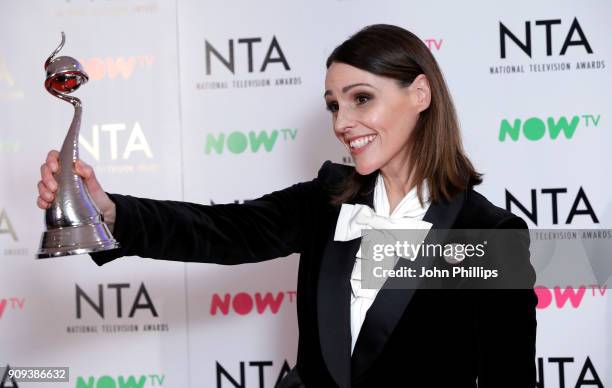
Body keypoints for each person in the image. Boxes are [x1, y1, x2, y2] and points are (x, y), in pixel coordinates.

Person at [37, 24, 537, 388]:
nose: (343, 122)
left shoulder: (488, 233)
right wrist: (106, 209)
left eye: (361, 98)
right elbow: (221, 229)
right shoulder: (326, 199)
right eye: (333, 105)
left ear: (420, 94)